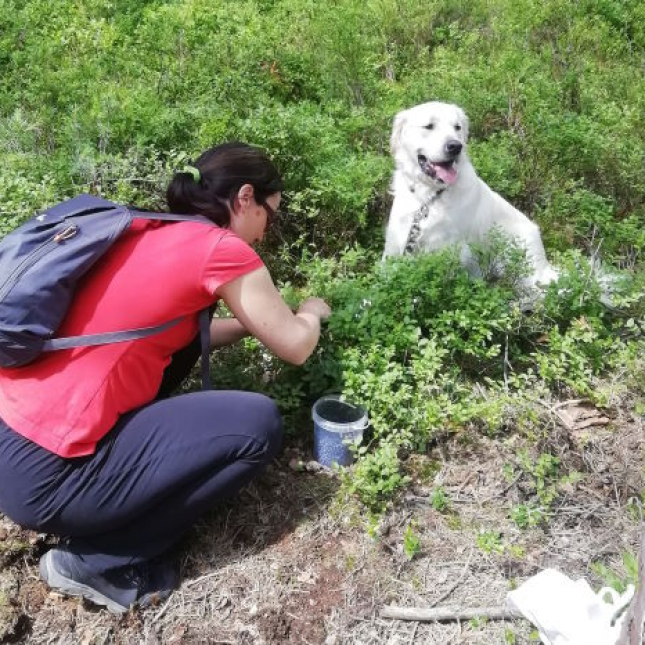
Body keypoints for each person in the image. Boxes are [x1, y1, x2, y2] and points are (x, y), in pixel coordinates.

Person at [0, 142, 331, 614]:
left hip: (14, 440)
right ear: (244, 198)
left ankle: (95, 508)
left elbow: (169, 335)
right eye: (269, 216)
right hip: (49, 475)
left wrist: (250, 322)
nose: (266, 232)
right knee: (257, 425)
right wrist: (311, 313)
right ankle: (99, 561)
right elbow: (297, 347)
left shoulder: (147, 228)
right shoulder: (222, 248)